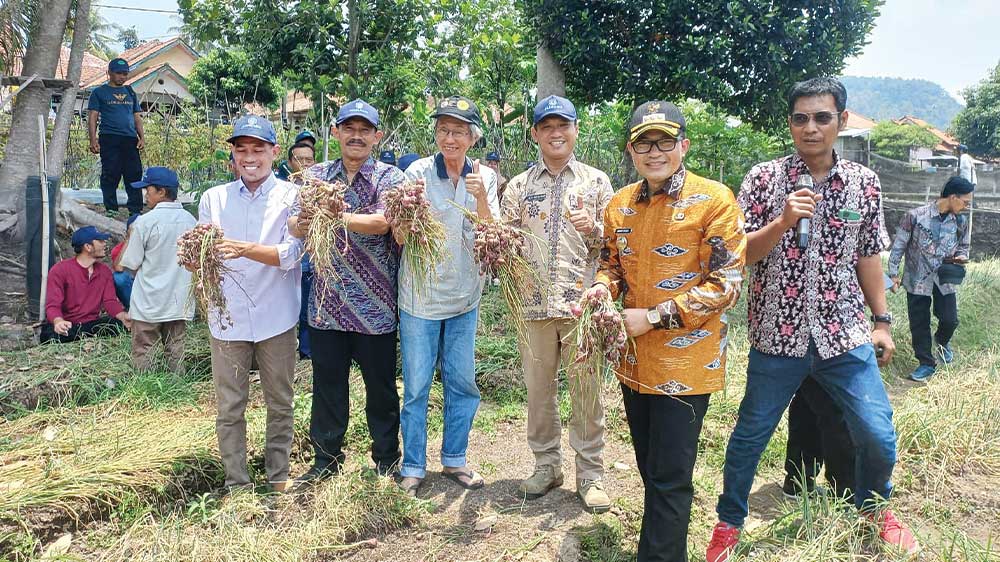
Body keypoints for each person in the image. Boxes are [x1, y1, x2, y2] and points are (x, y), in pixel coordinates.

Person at [707, 77, 918, 562]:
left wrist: (881, 321)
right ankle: (729, 524)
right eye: (801, 118)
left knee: (876, 433)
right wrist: (782, 221)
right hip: (775, 337)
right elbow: (740, 256)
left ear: (841, 122)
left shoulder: (864, 183)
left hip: (843, 335)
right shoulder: (764, 178)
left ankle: (873, 509)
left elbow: (868, 256)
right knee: (749, 438)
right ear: (790, 124)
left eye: (822, 117)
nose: (811, 127)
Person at [580, 101, 745, 562]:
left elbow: (726, 286)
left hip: (686, 365)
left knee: (672, 477)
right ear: (631, 151)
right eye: (643, 143)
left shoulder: (714, 200)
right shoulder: (620, 203)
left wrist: (653, 317)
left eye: (665, 141)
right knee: (651, 469)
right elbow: (612, 265)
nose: (655, 152)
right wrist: (599, 289)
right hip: (633, 363)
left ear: (683, 146)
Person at [502, 95, 614, 512]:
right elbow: (506, 241)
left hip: (581, 307)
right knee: (538, 391)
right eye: (546, 126)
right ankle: (547, 465)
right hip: (532, 306)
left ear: (575, 130)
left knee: (587, 391)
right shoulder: (518, 185)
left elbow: (619, 242)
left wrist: (596, 228)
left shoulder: (597, 183)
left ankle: (590, 473)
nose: (555, 133)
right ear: (535, 133)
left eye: (562, 125)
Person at [288, 99, 406, 482]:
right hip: (327, 305)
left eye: (364, 130)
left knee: (382, 390)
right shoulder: (317, 176)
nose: (356, 136)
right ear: (335, 132)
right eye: (348, 128)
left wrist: (334, 215)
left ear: (376, 136)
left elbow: (383, 223)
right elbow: (295, 225)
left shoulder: (391, 179)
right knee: (327, 389)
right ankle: (325, 460)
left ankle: (387, 460)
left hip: (376, 307)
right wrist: (303, 221)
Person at [395, 95, 499, 496]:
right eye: (443, 130)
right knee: (418, 386)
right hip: (420, 299)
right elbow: (401, 235)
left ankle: (454, 459)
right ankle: (413, 466)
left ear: (472, 137)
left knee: (462, 382)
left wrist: (482, 198)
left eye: (457, 131)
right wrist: (407, 216)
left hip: (464, 298)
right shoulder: (418, 173)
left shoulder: (485, 177)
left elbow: (493, 234)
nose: (449, 138)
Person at [197, 115, 303, 492]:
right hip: (228, 320)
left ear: (274, 152)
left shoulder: (292, 196)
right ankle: (237, 482)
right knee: (230, 406)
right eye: (242, 150)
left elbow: (293, 254)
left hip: (277, 314)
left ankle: (278, 476)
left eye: (258, 148)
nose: (250, 157)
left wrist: (245, 249)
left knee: (280, 400)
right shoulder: (214, 198)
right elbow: (206, 255)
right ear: (233, 156)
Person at [887, 176, 973, 382]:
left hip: (945, 277)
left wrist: (961, 257)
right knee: (919, 323)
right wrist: (893, 273)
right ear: (953, 197)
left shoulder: (961, 220)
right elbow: (898, 245)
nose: (966, 206)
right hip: (917, 278)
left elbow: (964, 246)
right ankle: (926, 363)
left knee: (949, 319)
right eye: (965, 202)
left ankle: (942, 342)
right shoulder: (915, 216)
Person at [118, 167, 197, 374]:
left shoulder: (145, 222)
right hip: (179, 300)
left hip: (149, 301)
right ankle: (177, 388)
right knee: (175, 348)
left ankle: (146, 388)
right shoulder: (191, 221)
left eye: (148, 190)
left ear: (161, 192)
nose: (146, 195)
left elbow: (129, 263)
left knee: (145, 349)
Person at [42, 226, 131, 343]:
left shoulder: (105, 271)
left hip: (91, 325)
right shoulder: (60, 269)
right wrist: (58, 321)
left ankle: (81, 337)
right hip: (68, 325)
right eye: (100, 241)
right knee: (50, 335)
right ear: (88, 247)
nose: (105, 244)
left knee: (117, 325)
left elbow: (110, 301)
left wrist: (122, 316)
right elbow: (53, 304)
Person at [88, 57, 145, 217]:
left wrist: (141, 137)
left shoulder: (130, 92)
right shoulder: (99, 92)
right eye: (118, 73)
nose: (122, 77)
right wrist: (93, 139)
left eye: (125, 73)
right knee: (110, 173)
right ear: (109, 73)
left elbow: (136, 116)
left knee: (134, 173)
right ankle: (111, 209)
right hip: (109, 137)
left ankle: (135, 209)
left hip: (130, 138)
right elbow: (93, 116)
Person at [284, 142, 317, 359]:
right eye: (299, 159)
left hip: (310, 261)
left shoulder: (318, 189)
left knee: (308, 309)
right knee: (285, 310)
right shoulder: (282, 191)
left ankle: (306, 353)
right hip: (285, 262)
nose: (304, 164)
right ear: (289, 162)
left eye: (309, 160)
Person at [111, 213, 141, 309]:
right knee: (119, 278)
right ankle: (131, 308)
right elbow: (118, 268)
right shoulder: (118, 249)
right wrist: (129, 239)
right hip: (133, 287)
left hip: (152, 285)